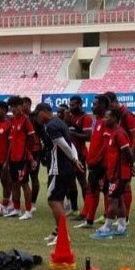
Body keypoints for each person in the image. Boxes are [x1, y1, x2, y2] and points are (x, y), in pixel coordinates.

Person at [35, 103, 84, 245]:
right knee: (58, 200)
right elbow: (71, 144)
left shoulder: (51, 126)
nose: (37, 118)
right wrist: (75, 159)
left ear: (44, 112)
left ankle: (63, 235)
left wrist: (74, 159)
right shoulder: (60, 123)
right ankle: (59, 231)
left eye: (38, 114)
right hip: (64, 167)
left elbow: (63, 145)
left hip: (58, 168)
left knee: (53, 200)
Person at [91, 108, 134, 239]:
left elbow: (129, 153)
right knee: (119, 199)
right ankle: (121, 227)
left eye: (107, 117)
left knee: (112, 200)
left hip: (119, 174)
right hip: (115, 173)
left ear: (115, 118)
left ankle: (107, 227)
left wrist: (130, 166)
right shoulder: (113, 133)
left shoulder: (119, 134)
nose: (104, 120)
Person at [77, 94, 110, 229]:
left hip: (100, 165)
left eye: (95, 104)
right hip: (93, 163)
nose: (92, 106)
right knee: (93, 191)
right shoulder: (97, 121)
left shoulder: (106, 123)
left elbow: (106, 146)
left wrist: (98, 161)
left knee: (106, 192)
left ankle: (109, 221)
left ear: (103, 106)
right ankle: (89, 220)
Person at [4, 96, 35, 218]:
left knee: (24, 183)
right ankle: (17, 209)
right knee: (14, 183)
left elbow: (32, 138)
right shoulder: (12, 121)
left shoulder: (25, 120)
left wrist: (29, 154)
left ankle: (28, 211)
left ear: (21, 106)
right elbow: (11, 142)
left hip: (23, 158)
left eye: (17, 106)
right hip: (13, 158)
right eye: (12, 107)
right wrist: (7, 160)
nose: (14, 109)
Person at [65, 95, 92, 215]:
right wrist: (66, 118)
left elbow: (88, 136)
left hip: (80, 154)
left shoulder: (85, 117)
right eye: (70, 104)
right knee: (70, 181)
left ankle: (87, 210)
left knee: (82, 182)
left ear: (80, 104)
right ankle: (74, 209)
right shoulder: (70, 116)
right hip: (69, 153)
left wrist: (73, 133)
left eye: (74, 104)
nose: (71, 107)